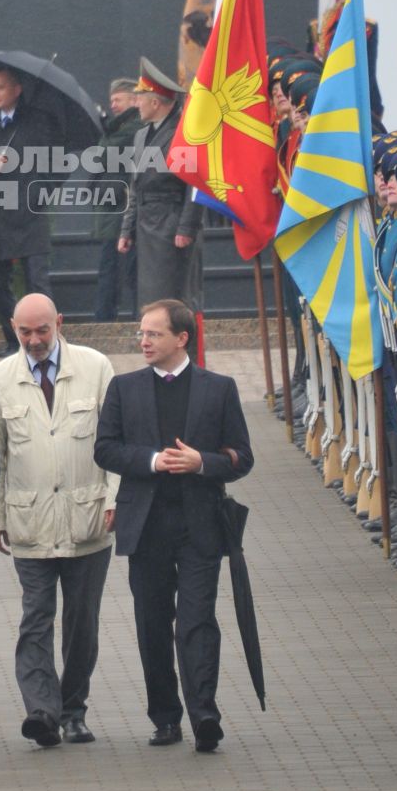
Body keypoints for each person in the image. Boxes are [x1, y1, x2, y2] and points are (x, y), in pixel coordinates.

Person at [94, 298, 253, 752]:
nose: (144, 341)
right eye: (141, 333)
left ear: (181, 338)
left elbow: (241, 457)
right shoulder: (124, 388)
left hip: (200, 523)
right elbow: (105, 449)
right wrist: (152, 460)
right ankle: (165, 716)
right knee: (152, 622)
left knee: (198, 621)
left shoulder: (218, 388)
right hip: (145, 525)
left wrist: (203, 462)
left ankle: (205, 713)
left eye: (153, 334)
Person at [0, 294, 117, 747]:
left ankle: (74, 709)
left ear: (59, 322)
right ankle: (42, 711)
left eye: (43, 330)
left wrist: (116, 499)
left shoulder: (96, 366)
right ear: (13, 327)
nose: (35, 340)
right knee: (35, 618)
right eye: (25, 332)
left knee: (82, 623)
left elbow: (115, 439)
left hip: (88, 518)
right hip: (29, 522)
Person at [0, 68, 55, 353]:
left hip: (30, 214)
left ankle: (46, 342)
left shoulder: (38, 122)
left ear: (17, 90)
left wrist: (40, 192)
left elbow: (56, 165)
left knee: (37, 282)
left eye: (0, 88)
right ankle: (14, 340)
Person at [118, 61, 203, 310]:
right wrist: (126, 230)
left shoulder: (183, 132)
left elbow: (193, 185)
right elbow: (136, 187)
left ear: (155, 102)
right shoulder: (141, 135)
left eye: (139, 98)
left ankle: (183, 348)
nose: (136, 104)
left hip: (171, 223)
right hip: (146, 226)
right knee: (151, 299)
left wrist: (186, 227)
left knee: (175, 298)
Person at [94, 79, 141, 321]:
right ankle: (105, 319)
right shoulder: (115, 128)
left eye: (118, 100)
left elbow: (104, 153)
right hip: (113, 209)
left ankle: (120, 319)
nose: (113, 105)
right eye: (111, 100)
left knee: (127, 270)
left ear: (134, 100)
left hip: (124, 210)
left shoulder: (134, 127)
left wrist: (104, 131)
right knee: (110, 269)